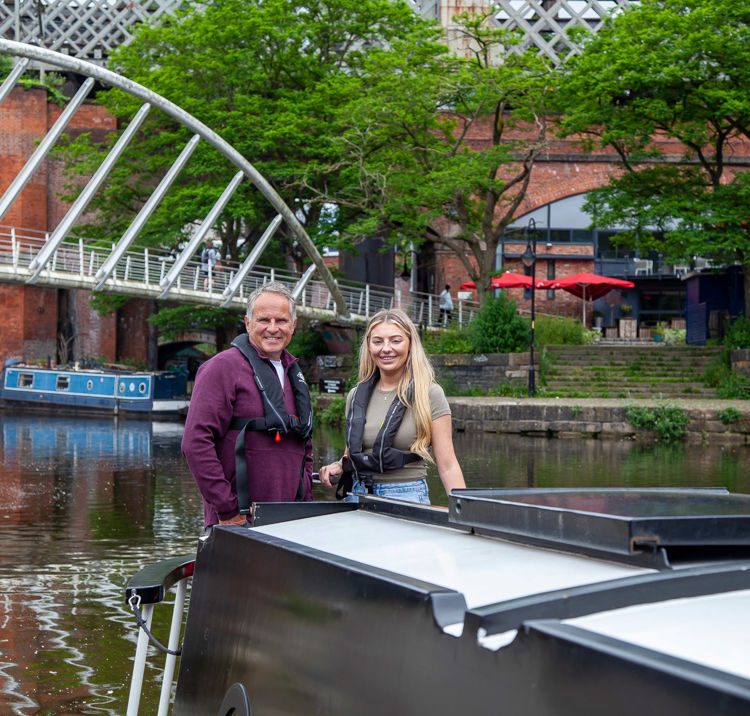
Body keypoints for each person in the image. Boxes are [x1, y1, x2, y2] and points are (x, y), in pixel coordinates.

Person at [182, 281, 314, 530]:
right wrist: (227, 507)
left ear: (293, 326)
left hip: (290, 519)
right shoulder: (222, 368)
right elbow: (195, 442)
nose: (273, 328)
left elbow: (304, 443)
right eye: (264, 320)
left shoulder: (293, 374)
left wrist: (305, 497)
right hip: (237, 520)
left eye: (282, 321)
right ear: (248, 323)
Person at [318, 308, 465, 504]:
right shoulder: (356, 396)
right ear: (369, 346)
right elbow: (352, 452)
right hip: (357, 495)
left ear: (410, 344)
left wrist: (465, 512)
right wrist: (338, 465)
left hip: (407, 496)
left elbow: (448, 465)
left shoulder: (429, 394)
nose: (386, 348)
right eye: (378, 341)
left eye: (395, 340)